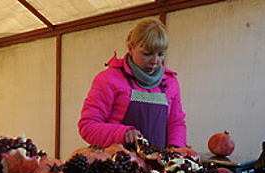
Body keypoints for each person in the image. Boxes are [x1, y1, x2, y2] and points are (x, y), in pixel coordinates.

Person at [78, 17, 187, 149]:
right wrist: (122, 133)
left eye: (161, 54)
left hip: (157, 166)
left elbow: (176, 122)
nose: (155, 61)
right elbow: (88, 126)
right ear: (131, 48)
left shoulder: (170, 82)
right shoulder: (108, 79)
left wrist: (175, 148)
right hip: (116, 163)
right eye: (147, 54)